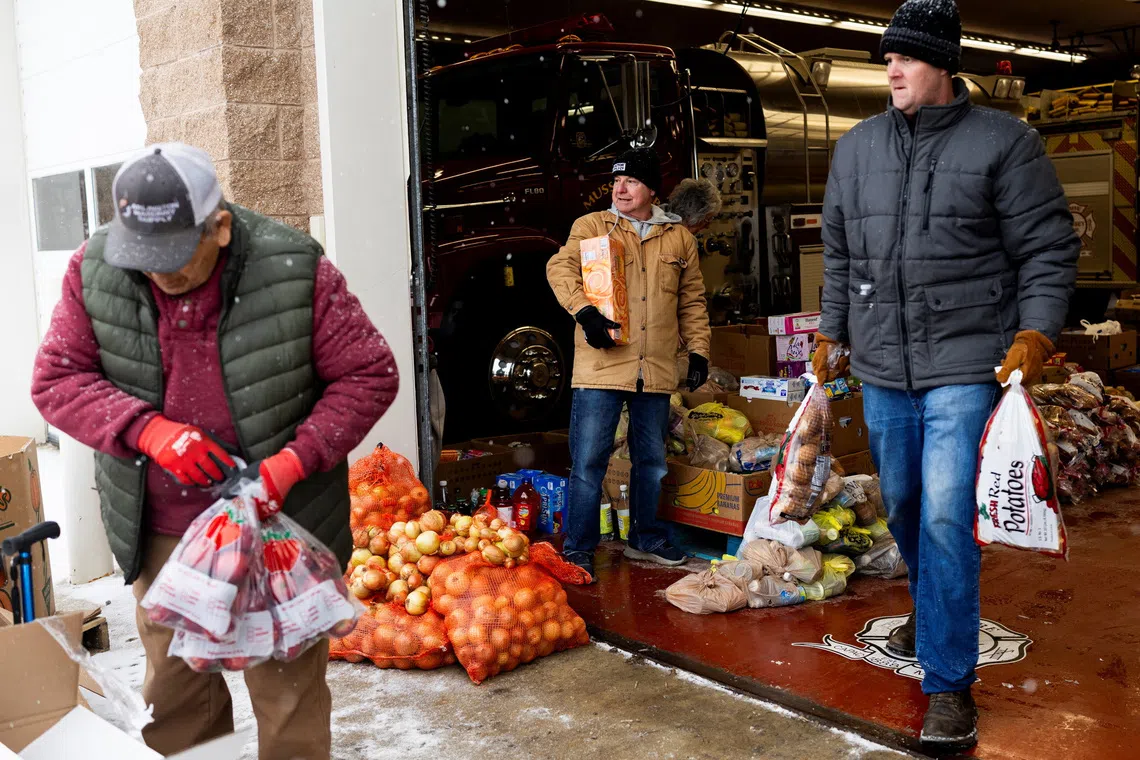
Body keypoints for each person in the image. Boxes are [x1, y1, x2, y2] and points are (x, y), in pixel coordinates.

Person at [31, 143, 399, 759]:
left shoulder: (294, 268)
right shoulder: (94, 270)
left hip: (280, 530)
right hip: (163, 532)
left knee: (288, 701)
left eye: (173, 258)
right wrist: (146, 430)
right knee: (177, 701)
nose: (158, 275)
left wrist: (293, 462)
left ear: (220, 226)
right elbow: (57, 379)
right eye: (142, 259)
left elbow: (369, 374)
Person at [813, 0, 1079, 750]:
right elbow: (840, 253)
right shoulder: (858, 147)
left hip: (967, 361)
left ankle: (949, 684)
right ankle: (931, 617)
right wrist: (832, 329)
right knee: (901, 502)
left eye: (906, 57)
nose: (891, 68)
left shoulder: (1006, 143)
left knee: (941, 516)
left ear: (942, 65)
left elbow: (1047, 249)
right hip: (883, 365)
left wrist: (1035, 332)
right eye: (887, 58)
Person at [547, 147, 712, 581]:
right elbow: (559, 268)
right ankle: (580, 546)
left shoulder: (679, 239)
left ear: (651, 189)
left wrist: (698, 350)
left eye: (631, 181)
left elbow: (692, 302)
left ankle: (646, 537)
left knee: (652, 462)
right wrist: (584, 312)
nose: (620, 188)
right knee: (588, 463)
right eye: (616, 180)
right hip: (601, 367)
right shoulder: (592, 227)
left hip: (654, 369)